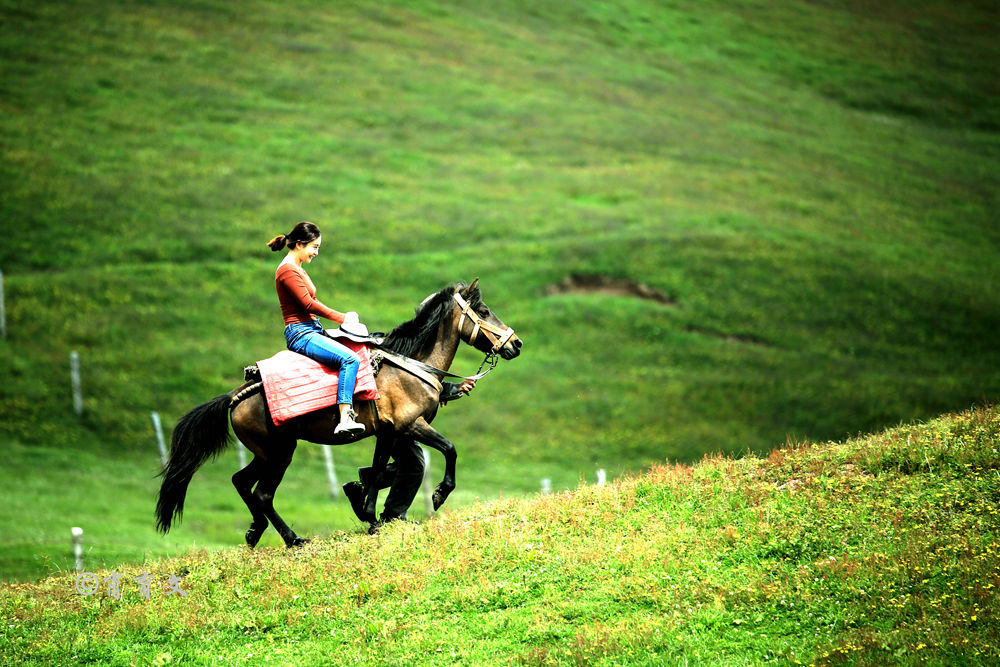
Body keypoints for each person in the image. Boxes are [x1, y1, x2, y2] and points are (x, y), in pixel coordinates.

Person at [267, 221, 365, 438]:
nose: (316, 253)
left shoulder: (297, 268)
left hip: (311, 329)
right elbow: (308, 304)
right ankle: (345, 418)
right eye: (315, 247)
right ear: (300, 244)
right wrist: (342, 318)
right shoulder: (287, 271)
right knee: (350, 360)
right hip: (300, 333)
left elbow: (312, 300)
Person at [343, 378, 477, 531]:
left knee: (412, 464)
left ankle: (364, 487)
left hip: (399, 407)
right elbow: (406, 373)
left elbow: (418, 372)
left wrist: (449, 388)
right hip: (396, 411)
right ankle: (391, 516)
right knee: (414, 464)